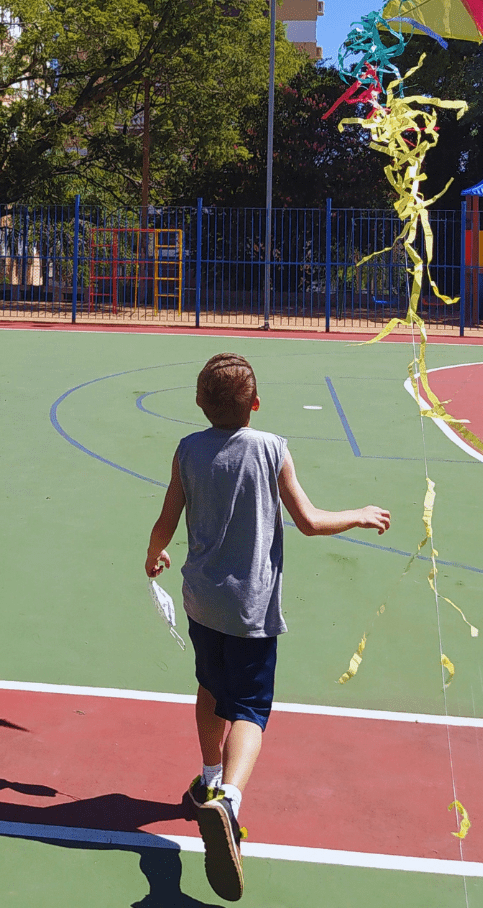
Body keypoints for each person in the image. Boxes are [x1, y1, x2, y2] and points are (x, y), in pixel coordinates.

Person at [144, 352, 389, 901]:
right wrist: (358, 514)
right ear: (255, 404)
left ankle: (209, 778)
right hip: (249, 608)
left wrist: (154, 554)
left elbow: (166, 520)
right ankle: (228, 801)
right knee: (251, 708)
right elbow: (309, 521)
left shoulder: (187, 450)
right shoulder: (272, 448)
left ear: (199, 403)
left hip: (202, 601)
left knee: (210, 686)